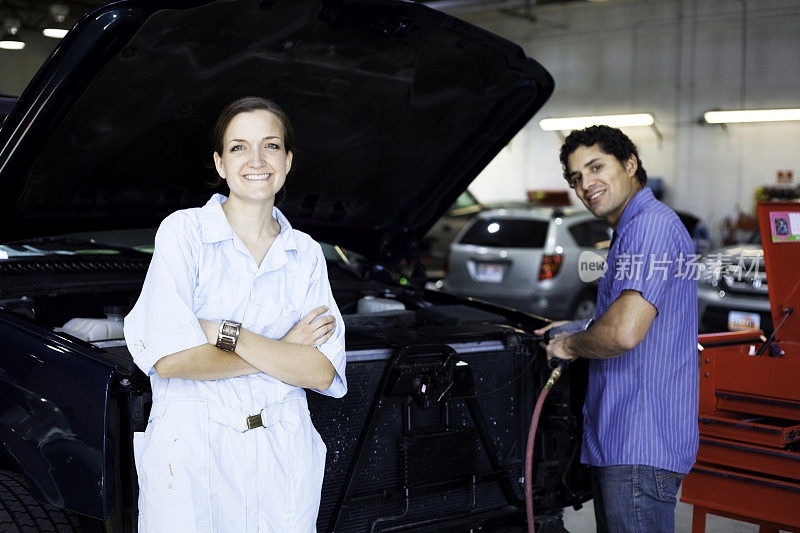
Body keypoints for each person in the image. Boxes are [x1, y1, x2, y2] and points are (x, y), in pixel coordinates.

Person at [124, 96, 346, 532]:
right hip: (191, 457)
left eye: (271, 145)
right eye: (239, 147)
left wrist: (229, 334)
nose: (257, 160)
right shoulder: (183, 232)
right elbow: (171, 359)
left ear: (287, 161)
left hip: (284, 457)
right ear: (220, 163)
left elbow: (320, 372)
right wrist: (283, 352)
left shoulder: (305, 253)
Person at [534, 125, 697, 532]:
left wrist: (569, 345)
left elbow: (624, 332)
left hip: (640, 442)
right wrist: (576, 326)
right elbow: (629, 317)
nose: (586, 184)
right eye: (576, 178)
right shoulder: (630, 231)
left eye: (596, 167)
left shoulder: (650, 228)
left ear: (630, 164)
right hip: (627, 441)